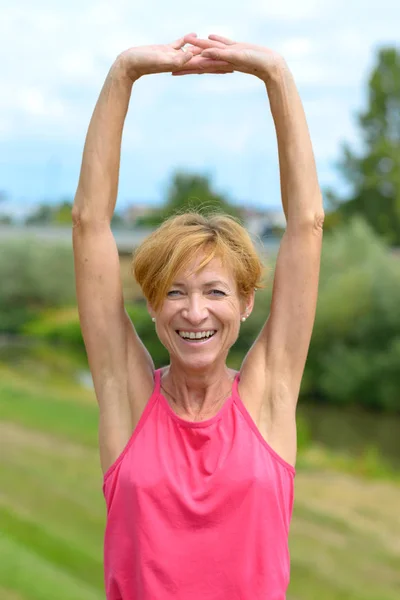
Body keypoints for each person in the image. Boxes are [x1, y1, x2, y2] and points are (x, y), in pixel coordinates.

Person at [72, 32, 324, 600]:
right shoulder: (127, 396)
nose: (194, 311)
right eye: (176, 292)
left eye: (214, 291)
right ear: (155, 307)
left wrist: (276, 74)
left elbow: (307, 224)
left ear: (246, 304)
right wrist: (123, 72)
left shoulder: (269, 396)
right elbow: (90, 223)